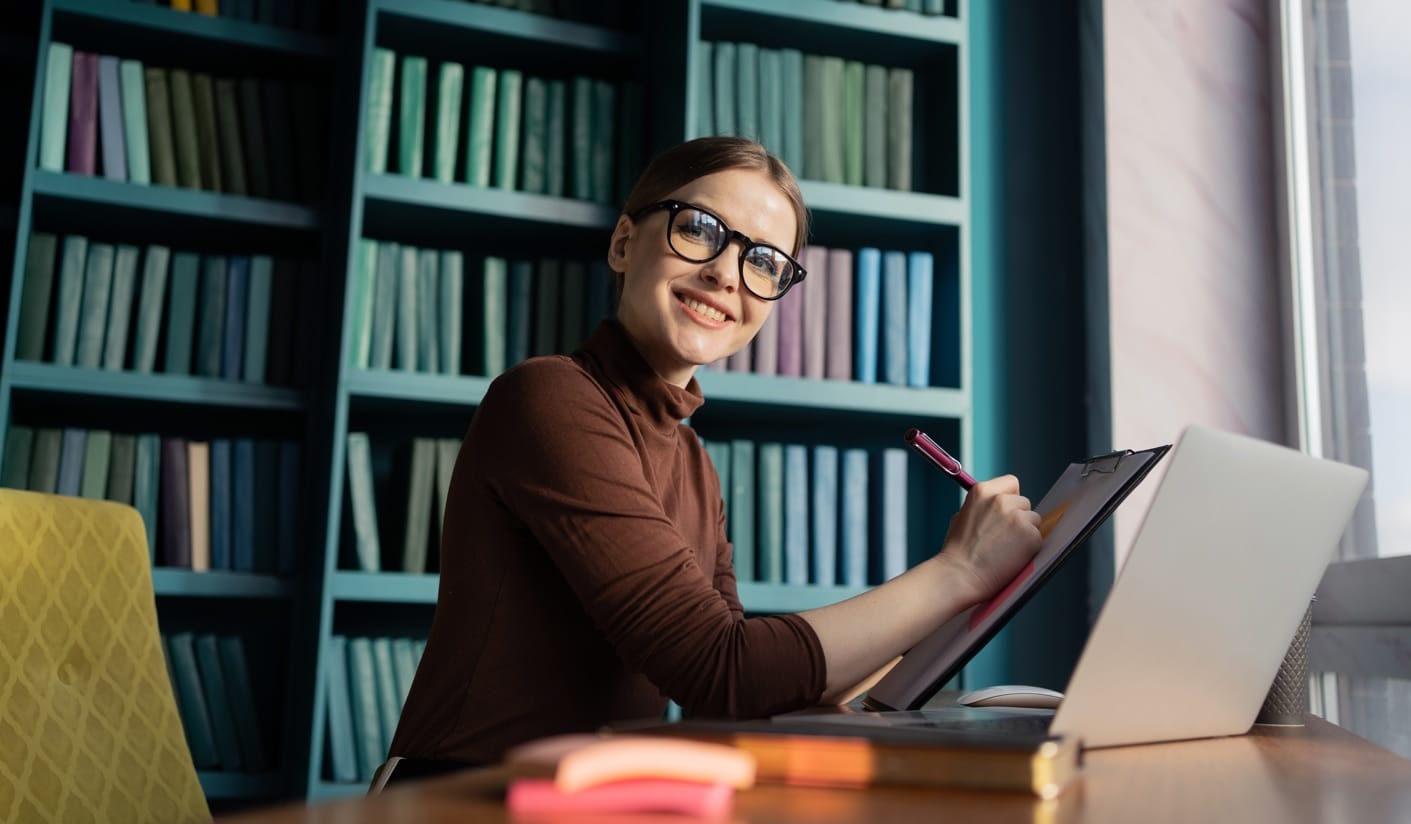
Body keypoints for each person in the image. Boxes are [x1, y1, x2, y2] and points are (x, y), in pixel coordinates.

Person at [384, 136, 1042, 781]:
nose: (727, 273)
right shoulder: (551, 397)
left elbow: (727, 698)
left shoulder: (693, 459)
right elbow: (721, 671)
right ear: (622, 244)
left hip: (589, 800)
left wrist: (955, 603)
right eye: (699, 229)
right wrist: (958, 572)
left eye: (763, 261)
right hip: (462, 797)